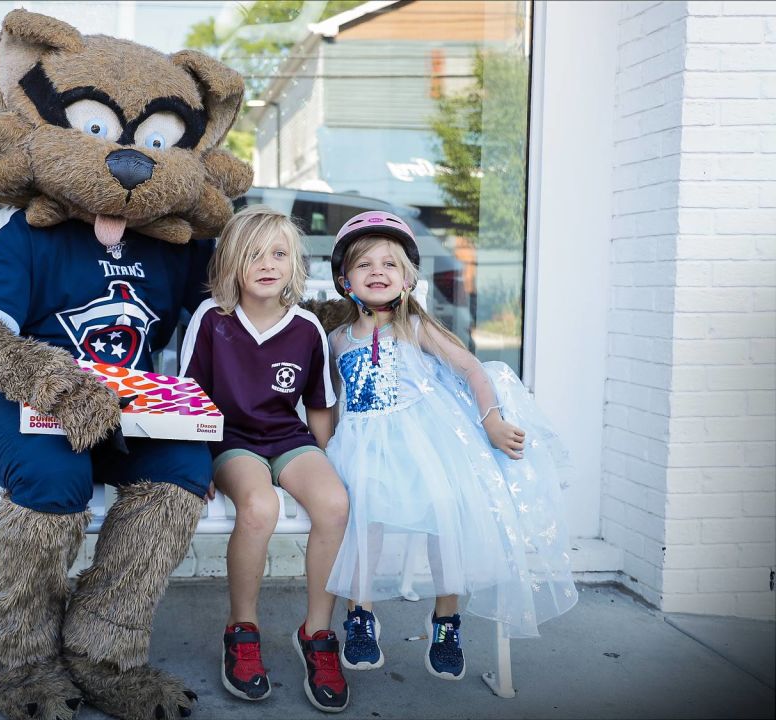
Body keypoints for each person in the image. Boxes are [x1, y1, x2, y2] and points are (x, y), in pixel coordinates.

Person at [322, 211, 577, 682]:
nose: (377, 271)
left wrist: (492, 419)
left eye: (389, 265)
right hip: (364, 444)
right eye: (364, 265)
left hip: (423, 444)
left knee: (446, 507)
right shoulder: (337, 339)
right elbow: (331, 402)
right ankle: (361, 614)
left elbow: (472, 370)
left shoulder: (416, 328)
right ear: (345, 279)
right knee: (364, 512)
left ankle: (445, 617)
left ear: (407, 279)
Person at [181, 205, 351, 713]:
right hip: (229, 440)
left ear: (295, 263)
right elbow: (187, 397)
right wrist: (193, 462)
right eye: (253, 254)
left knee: (336, 504)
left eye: (279, 253)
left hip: (287, 437)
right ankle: (243, 629)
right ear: (232, 263)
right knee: (259, 508)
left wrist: (324, 464)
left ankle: (318, 634)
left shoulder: (306, 329)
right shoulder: (212, 320)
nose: (267, 263)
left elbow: (319, 407)